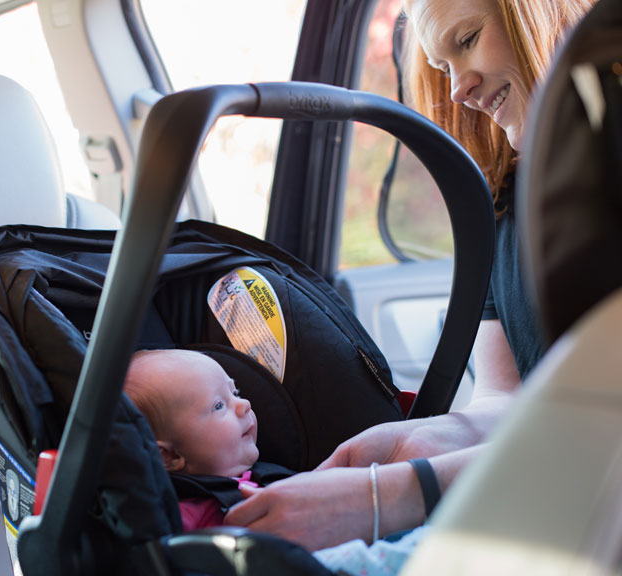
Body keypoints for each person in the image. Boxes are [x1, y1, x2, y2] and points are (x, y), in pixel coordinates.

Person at [223, 0, 598, 562]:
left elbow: (600, 439)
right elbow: (507, 403)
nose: (457, 91)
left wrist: (390, 497)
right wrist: (422, 441)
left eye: (467, 40)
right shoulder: (505, 211)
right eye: (442, 67)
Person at [124, 348, 268, 530]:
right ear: (170, 456)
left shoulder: (270, 473)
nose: (244, 404)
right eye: (219, 405)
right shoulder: (184, 519)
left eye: (235, 393)